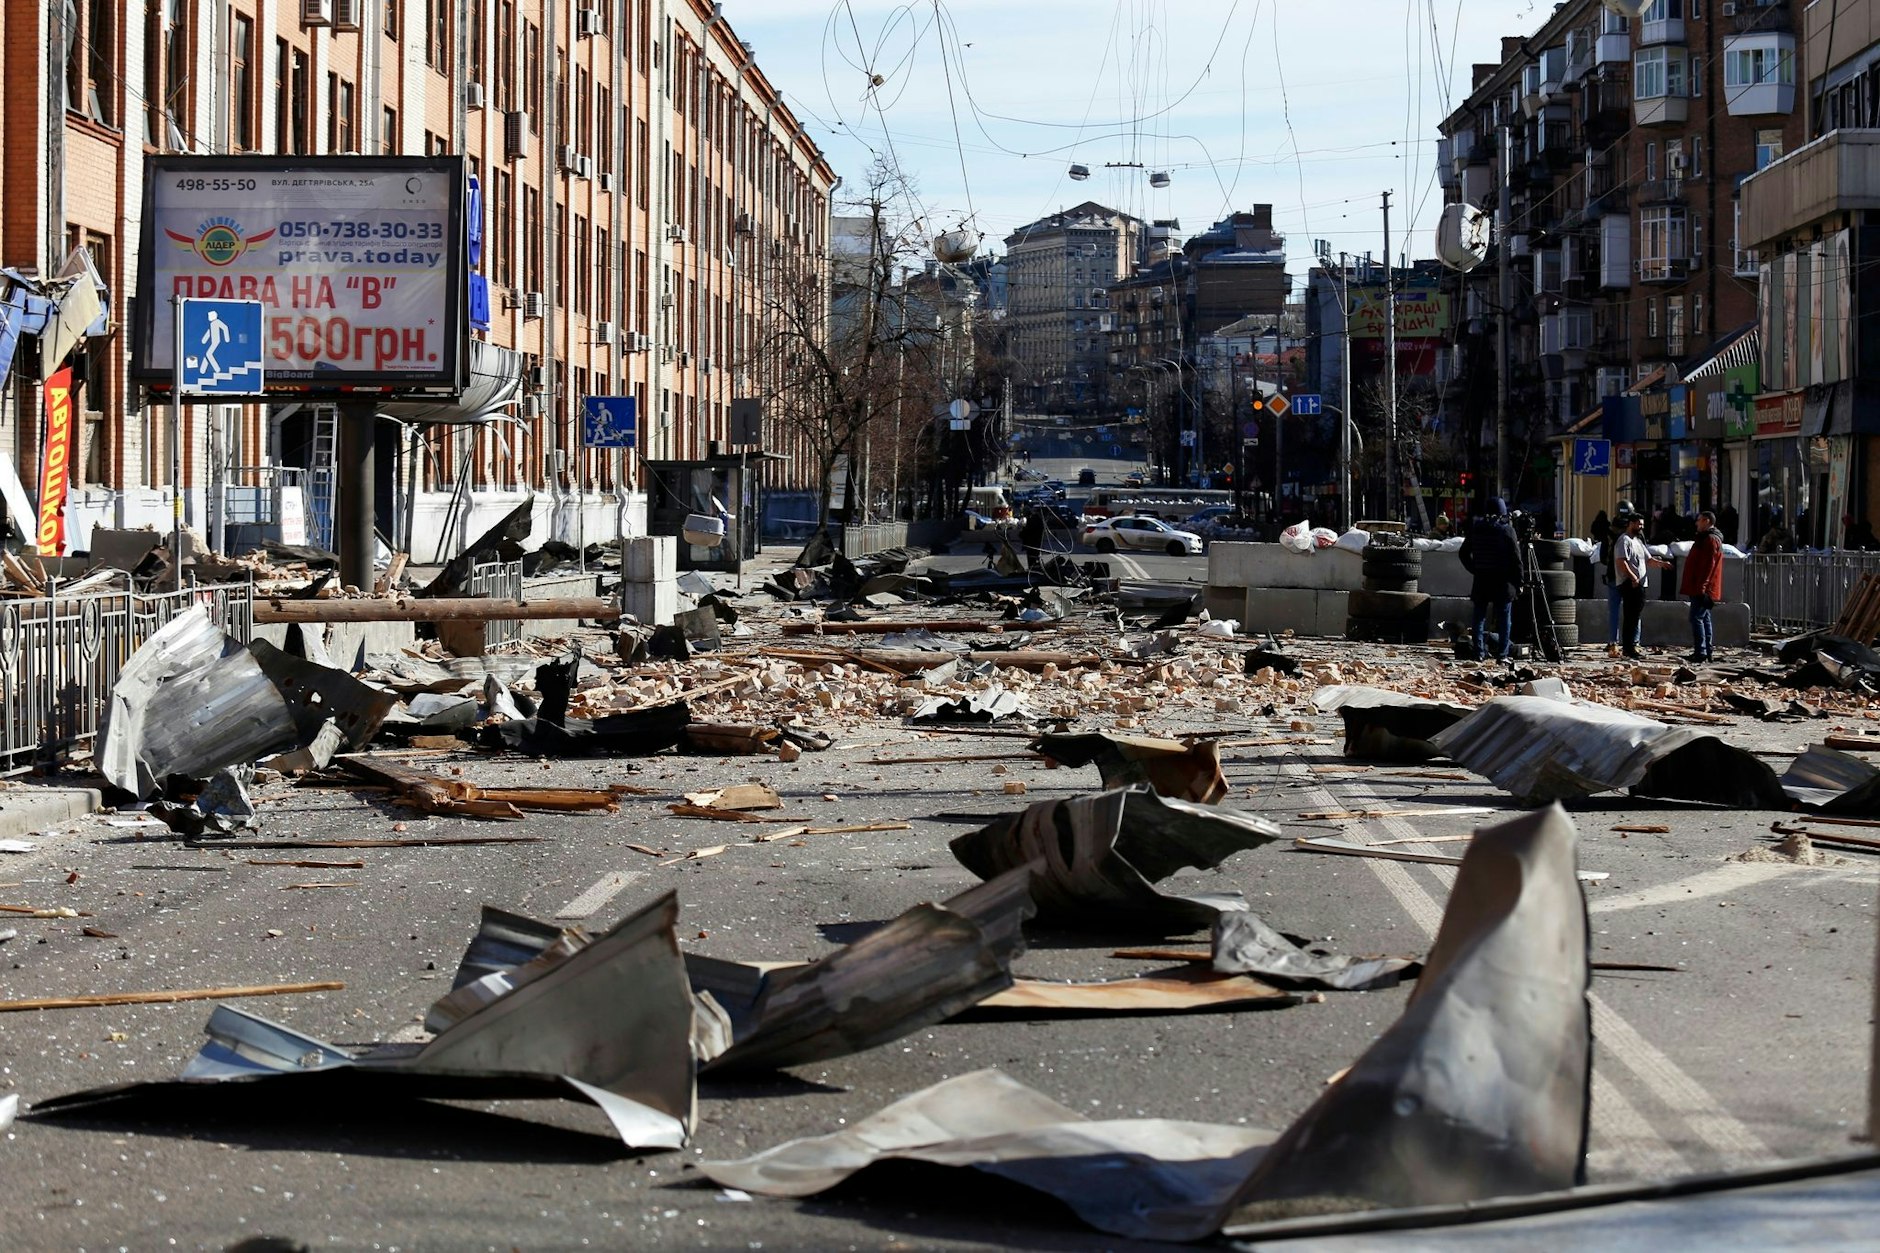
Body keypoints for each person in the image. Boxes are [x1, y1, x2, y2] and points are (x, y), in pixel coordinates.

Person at [1459, 497, 1521, 662]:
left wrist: (1475, 569)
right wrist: (1519, 582)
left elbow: (1463, 553)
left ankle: (1478, 653)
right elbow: (1516, 559)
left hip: (1482, 580)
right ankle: (1502, 654)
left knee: (1479, 618)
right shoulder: (1507, 530)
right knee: (1504, 620)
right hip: (1503, 581)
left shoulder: (1476, 529)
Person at [1616, 512, 1673, 660]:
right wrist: (1633, 577)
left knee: (1635, 616)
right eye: (1638, 524)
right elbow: (1621, 562)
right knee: (1630, 617)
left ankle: (1632, 646)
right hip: (1630, 583)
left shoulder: (1638, 541)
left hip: (1640, 584)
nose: (1641, 527)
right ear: (1631, 524)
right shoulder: (1624, 540)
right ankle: (1629, 647)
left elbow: (1648, 560)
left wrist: (1662, 564)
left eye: (1642, 524)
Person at [1681, 509, 1725, 663]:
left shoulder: (1710, 540)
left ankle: (1701, 651)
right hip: (1700, 586)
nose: (1696, 523)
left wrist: (1702, 588)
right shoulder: (1705, 539)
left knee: (1696, 618)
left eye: (1699, 520)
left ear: (1707, 521)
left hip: (1702, 588)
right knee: (1703, 618)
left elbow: (1708, 566)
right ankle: (1706, 650)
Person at [1020, 507, 1046, 578]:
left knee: (1033, 560)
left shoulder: (1034, 520)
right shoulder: (1035, 519)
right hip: (1034, 544)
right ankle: (1034, 573)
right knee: (1033, 559)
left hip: (1033, 545)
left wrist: (1022, 533)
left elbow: (1030, 532)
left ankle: (1034, 575)